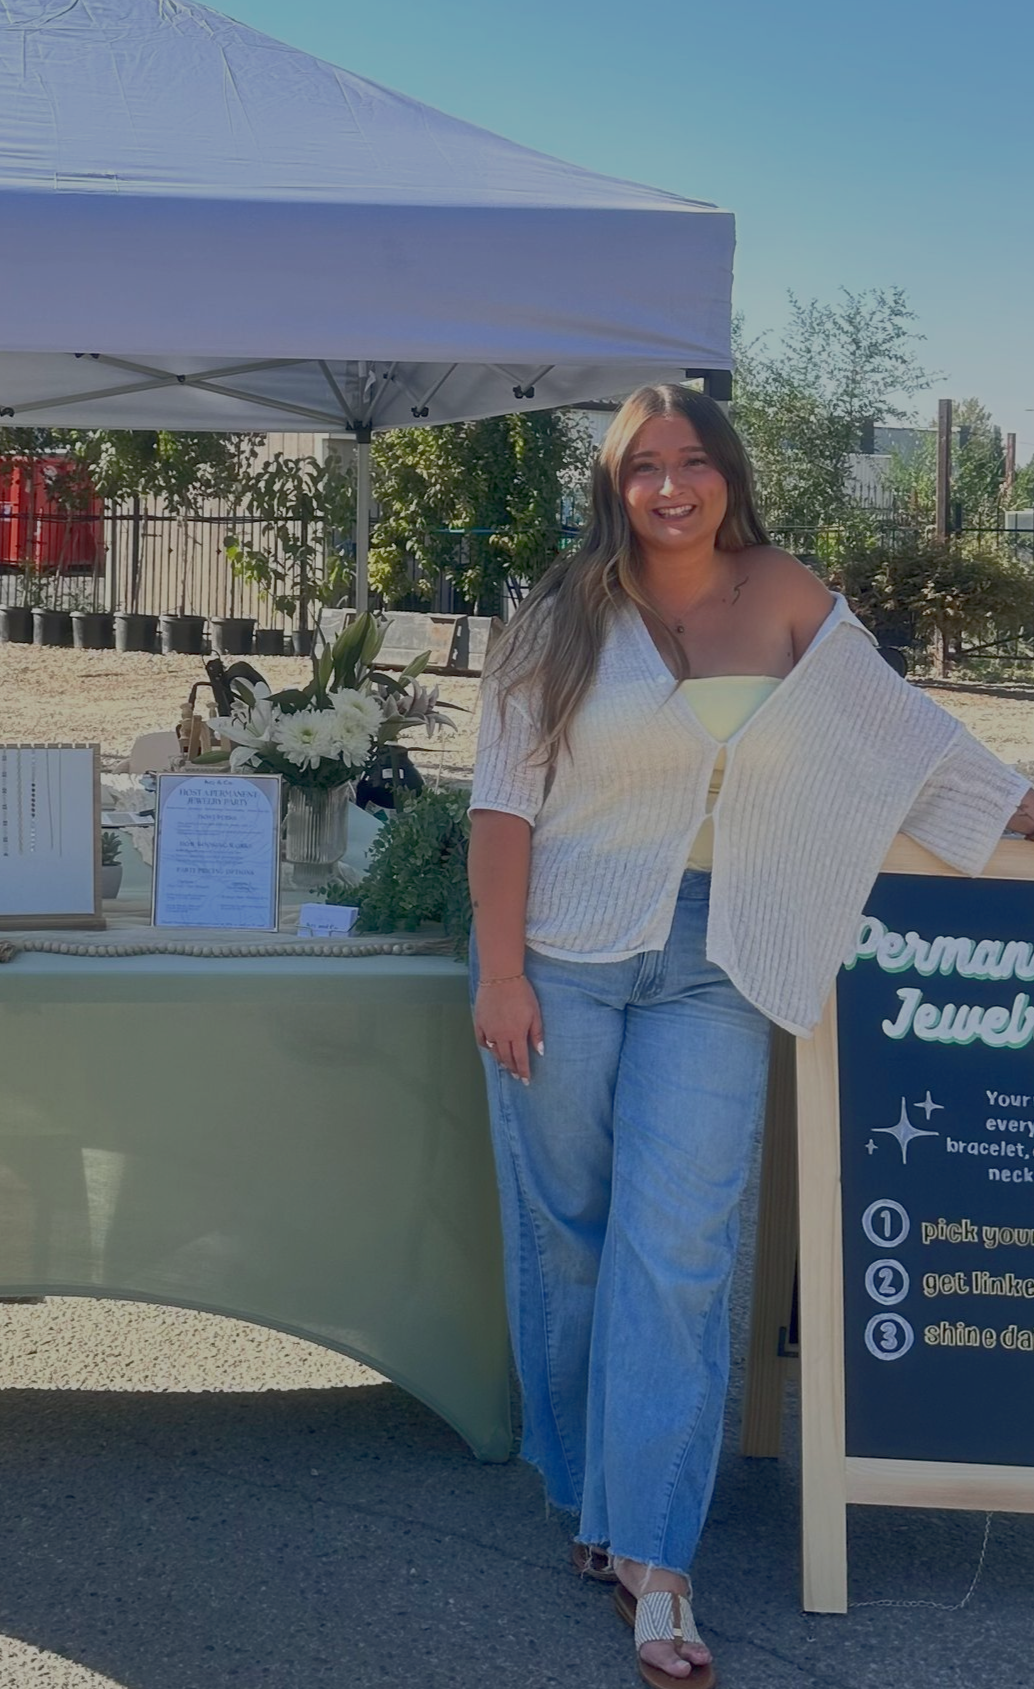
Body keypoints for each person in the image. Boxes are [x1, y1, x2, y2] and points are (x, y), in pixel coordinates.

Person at [467, 383, 1034, 1689]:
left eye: (692, 463)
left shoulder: (782, 592)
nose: (671, 487)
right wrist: (502, 973)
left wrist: (1013, 809)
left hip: (723, 957)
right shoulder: (559, 616)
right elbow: (503, 803)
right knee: (570, 1234)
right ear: (615, 487)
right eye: (644, 467)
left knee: (680, 1251)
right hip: (562, 953)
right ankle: (590, 1494)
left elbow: (899, 736)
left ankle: (656, 1558)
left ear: (727, 474)